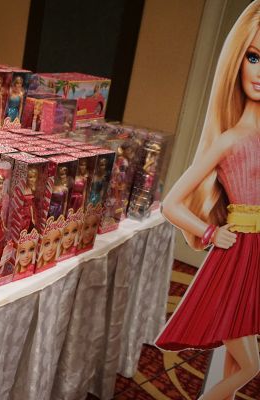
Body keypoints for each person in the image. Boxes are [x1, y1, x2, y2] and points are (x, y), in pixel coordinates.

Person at [155, 3, 260, 398]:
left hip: (255, 256)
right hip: (235, 256)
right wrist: (211, 233)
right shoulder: (229, 141)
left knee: (235, 361)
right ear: (239, 60)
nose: (259, 72)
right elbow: (171, 204)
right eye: (254, 57)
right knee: (250, 364)